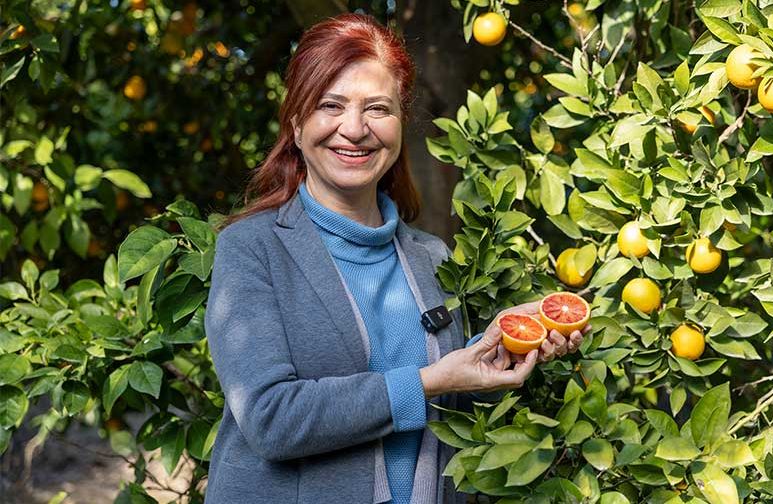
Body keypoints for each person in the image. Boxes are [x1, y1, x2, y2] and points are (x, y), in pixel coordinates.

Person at [203, 13, 586, 504]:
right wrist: (430, 381)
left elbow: (445, 405)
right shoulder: (253, 249)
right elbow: (271, 419)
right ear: (297, 126)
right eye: (331, 105)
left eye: (378, 108)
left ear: (401, 124)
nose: (355, 128)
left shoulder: (429, 255)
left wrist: (497, 352)